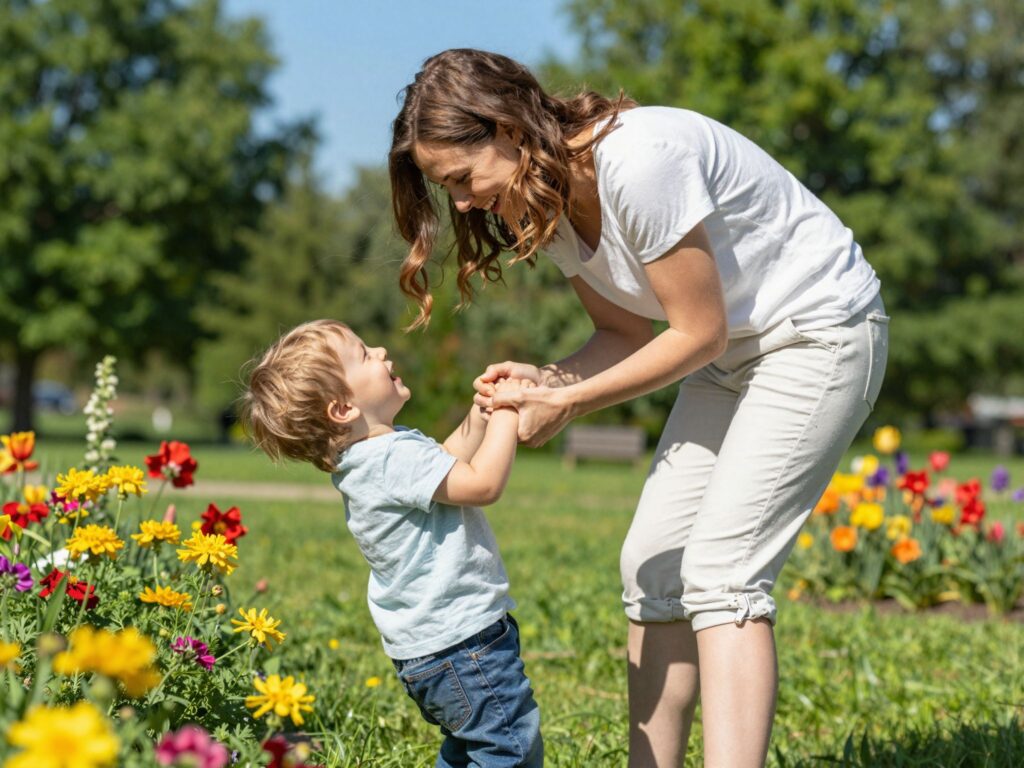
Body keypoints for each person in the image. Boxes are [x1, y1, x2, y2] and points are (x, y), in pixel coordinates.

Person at [388, 49, 889, 767]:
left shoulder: (639, 160)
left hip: (820, 332)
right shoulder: (549, 201)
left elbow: (696, 329)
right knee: (650, 566)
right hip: (730, 356)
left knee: (723, 572)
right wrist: (545, 378)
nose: (462, 203)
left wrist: (569, 400)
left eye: (462, 180)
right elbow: (623, 334)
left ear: (505, 128)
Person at [240, 319, 543, 768]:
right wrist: (507, 411)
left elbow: (444, 461)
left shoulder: (372, 459)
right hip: (464, 645)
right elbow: (481, 485)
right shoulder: (391, 458)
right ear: (342, 408)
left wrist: (478, 416)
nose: (381, 351)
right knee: (510, 748)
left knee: (469, 750)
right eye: (363, 354)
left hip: (432, 651)